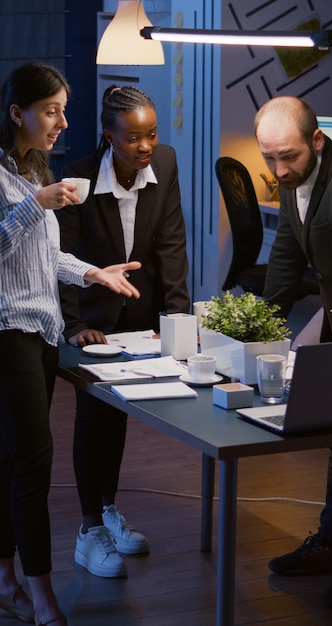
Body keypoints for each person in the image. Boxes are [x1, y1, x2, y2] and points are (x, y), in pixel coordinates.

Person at [0, 64, 141, 626]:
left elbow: (44, 258)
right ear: (18, 113)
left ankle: (6, 576)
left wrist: (93, 273)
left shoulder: (30, 170)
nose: (62, 122)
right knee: (34, 463)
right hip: (7, 332)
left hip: (40, 334)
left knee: (9, 461)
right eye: (52, 110)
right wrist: (39, 203)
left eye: (64, 109)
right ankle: (42, 596)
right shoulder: (19, 183)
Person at [56, 85, 190, 578]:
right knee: (95, 417)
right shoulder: (79, 179)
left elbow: (172, 245)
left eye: (151, 134)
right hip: (92, 320)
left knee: (121, 416)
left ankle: (109, 511)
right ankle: (90, 528)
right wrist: (75, 325)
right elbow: (62, 256)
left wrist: (179, 321)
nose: (145, 146)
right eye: (132, 137)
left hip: (142, 317)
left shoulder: (168, 164)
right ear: (108, 136)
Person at [254, 95, 332, 610]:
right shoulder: (291, 183)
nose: (278, 169)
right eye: (268, 157)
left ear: (317, 140)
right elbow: (285, 265)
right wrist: (255, 336)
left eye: (288, 156)